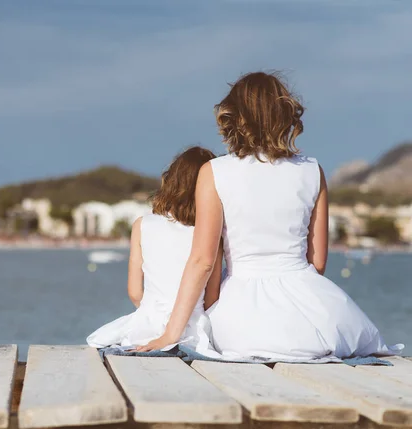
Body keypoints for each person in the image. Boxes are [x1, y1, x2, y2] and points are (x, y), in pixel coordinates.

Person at [136, 72, 403, 360]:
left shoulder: (215, 172)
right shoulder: (312, 170)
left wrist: (170, 334)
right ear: (285, 115)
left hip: (244, 323)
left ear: (234, 118)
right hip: (318, 317)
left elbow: (202, 261)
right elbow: (318, 262)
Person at [87, 147, 222, 355]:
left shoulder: (142, 225)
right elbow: (211, 296)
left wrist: (152, 311)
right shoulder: (211, 235)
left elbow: (135, 292)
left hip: (147, 324)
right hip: (192, 327)